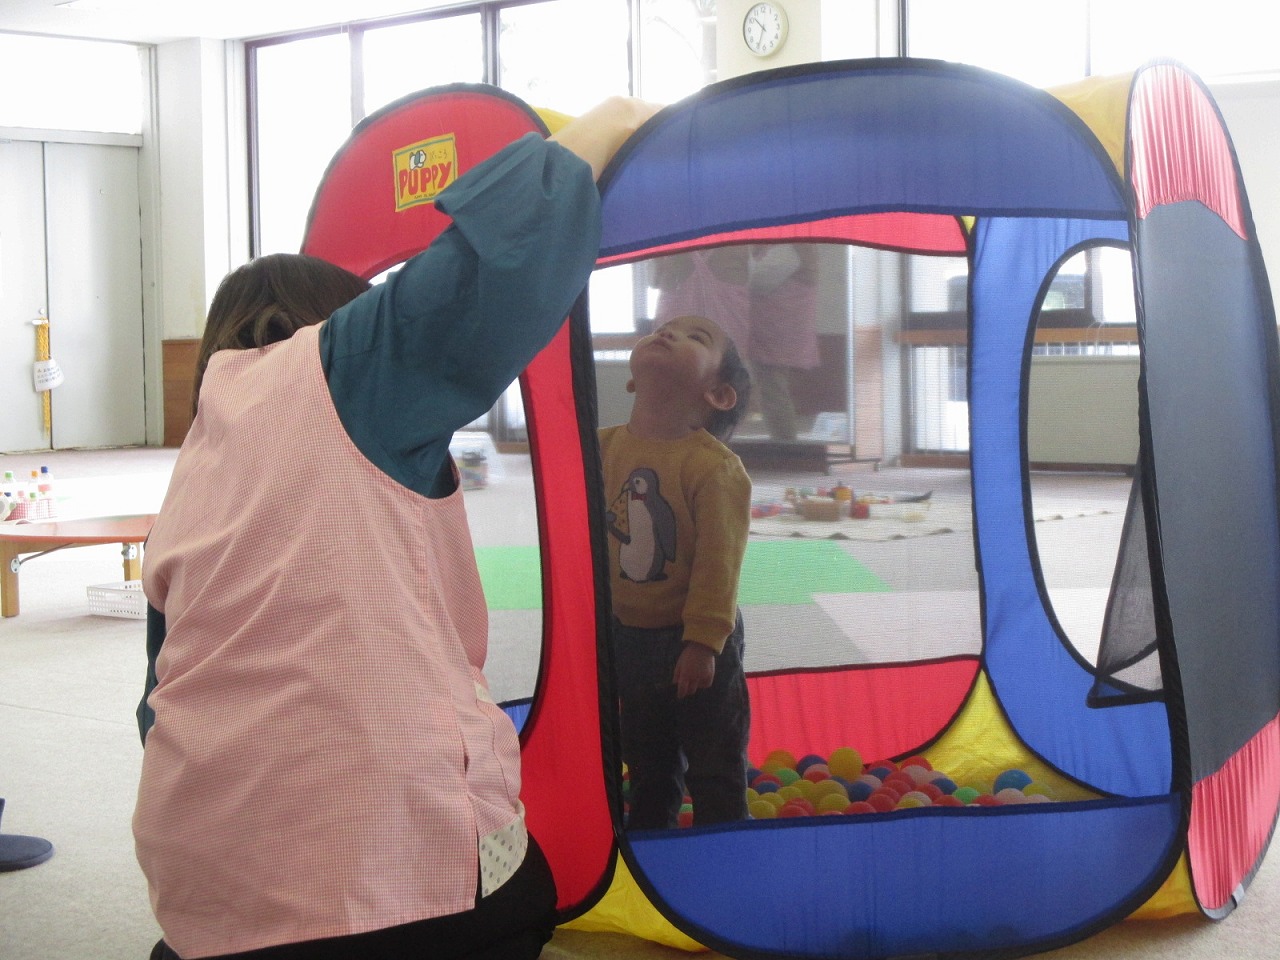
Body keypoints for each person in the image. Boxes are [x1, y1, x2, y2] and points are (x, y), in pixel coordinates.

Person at [133, 95, 661, 960]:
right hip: (384, 883)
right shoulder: (344, 370)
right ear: (344, 318)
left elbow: (157, 703)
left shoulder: (196, 470)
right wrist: (612, 120)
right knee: (520, 886)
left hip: (200, 896)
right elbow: (504, 261)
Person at [600, 314, 753, 830]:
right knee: (646, 760)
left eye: (696, 336)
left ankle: (725, 844)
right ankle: (651, 845)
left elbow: (719, 562)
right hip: (628, 636)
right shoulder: (602, 448)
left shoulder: (713, 467)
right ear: (633, 379)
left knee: (714, 759)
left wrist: (703, 642)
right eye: (664, 328)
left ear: (719, 394)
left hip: (696, 641)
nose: (668, 333)